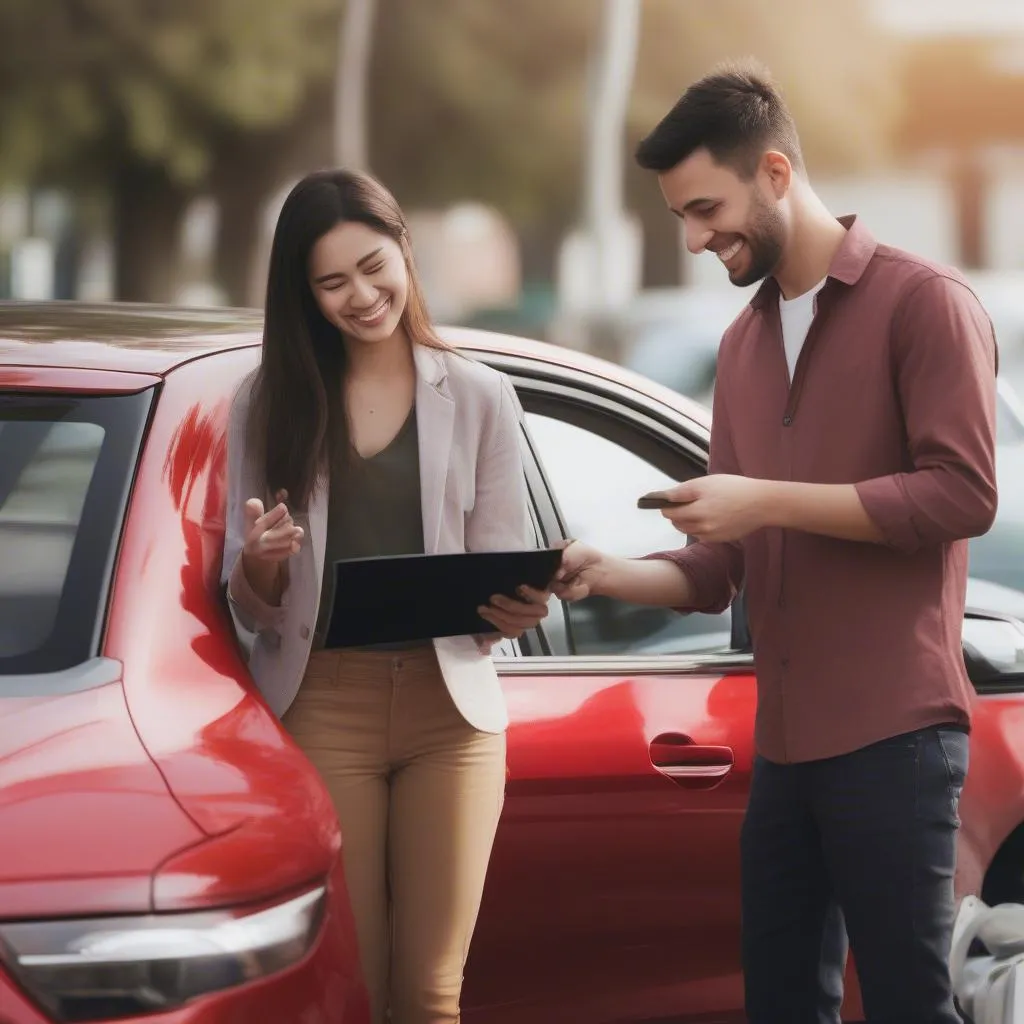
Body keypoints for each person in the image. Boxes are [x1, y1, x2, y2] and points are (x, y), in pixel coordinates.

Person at [556, 61, 998, 1024]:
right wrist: (603, 575)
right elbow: (721, 573)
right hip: (785, 751)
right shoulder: (741, 348)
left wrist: (766, 499)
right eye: (681, 215)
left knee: (907, 1006)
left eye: (707, 207)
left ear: (777, 172)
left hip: (898, 738)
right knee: (781, 1006)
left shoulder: (925, 303)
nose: (694, 236)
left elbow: (962, 495)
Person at [220, 168, 549, 1024]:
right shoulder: (265, 405)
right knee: (358, 985)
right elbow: (248, 606)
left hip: (454, 714)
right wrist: (259, 564)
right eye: (332, 283)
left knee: (432, 992)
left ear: (405, 249)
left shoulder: (480, 394)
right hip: (326, 706)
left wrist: (514, 609)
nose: (362, 296)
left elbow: (501, 564)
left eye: (374, 266)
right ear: (303, 294)